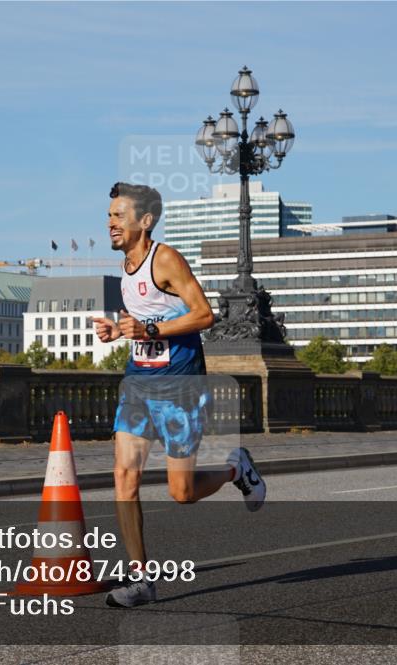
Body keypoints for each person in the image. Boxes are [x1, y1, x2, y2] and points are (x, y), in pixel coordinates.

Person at [92, 182, 266, 608]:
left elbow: (204, 315)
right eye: (110, 215)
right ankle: (140, 580)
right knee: (123, 477)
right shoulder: (127, 269)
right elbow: (147, 321)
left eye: (119, 215)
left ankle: (234, 470)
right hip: (139, 383)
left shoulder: (164, 258)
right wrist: (121, 330)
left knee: (181, 492)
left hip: (180, 386)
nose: (110, 222)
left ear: (145, 221)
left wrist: (149, 330)